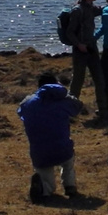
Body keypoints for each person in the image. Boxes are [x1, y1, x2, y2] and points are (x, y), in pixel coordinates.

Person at [17, 71, 87, 202]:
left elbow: (20, 113)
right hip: (62, 148)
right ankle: (70, 185)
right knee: (68, 163)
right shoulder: (63, 101)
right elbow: (77, 107)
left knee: (46, 176)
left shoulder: (28, 102)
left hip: (39, 151)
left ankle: (44, 188)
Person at [56, 0, 103, 107]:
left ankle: (103, 109)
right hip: (80, 50)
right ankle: (70, 107)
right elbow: (69, 32)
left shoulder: (91, 8)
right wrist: (79, 44)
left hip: (92, 47)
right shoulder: (77, 11)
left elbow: (102, 10)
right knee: (78, 80)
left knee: (99, 78)